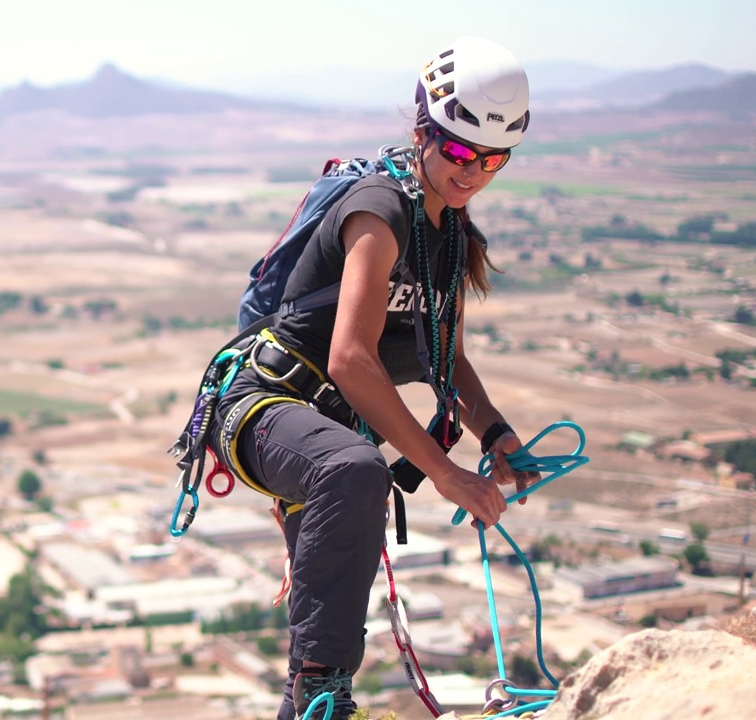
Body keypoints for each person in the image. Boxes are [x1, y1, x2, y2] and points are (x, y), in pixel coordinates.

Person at [208, 36, 537, 720]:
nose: (473, 171)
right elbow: (350, 359)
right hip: (262, 406)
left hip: (326, 441)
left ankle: (313, 700)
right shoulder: (379, 210)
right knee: (358, 470)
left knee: (346, 506)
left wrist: (498, 434)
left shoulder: (452, 240)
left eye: (492, 158)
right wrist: (444, 473)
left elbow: (449, 362)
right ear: (424, 132)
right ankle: (322, 697)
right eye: (457, 150)